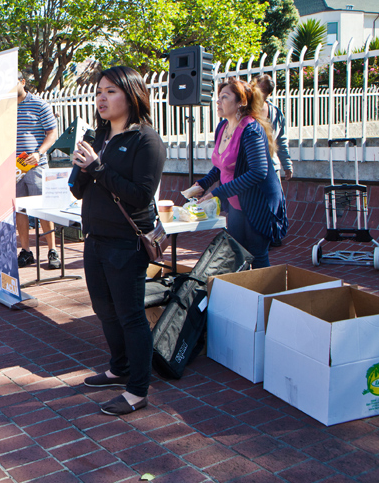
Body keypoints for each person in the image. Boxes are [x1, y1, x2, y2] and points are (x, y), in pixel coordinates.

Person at [70, 66, 166, 416]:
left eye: (110, 91)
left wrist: (97, 168)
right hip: (95, 239)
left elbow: (140, 195)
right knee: (104, 309)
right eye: (98, 92)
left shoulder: (146, 140)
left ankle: (138, 389)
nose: (101, 98)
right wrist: (81, 169)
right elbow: (79, 190)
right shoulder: (98, 137)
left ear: (131, 94)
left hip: (125, 243)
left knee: (130, 315)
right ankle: (119, 367)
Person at [184, 78, 287, 269]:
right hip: (237, 202)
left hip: (259, 202)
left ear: (241, 102)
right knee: (237, 252)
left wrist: (218, 193)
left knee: (257, 254)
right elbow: (221, 165)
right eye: (218, 97)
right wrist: (204, 183)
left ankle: (263, 296)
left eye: (224, 97)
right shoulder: (222, 127)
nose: (218, 102)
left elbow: (259, 172)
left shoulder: (251, 130)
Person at [15, 72, 60, 270]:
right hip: (13, 169)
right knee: (20, 210)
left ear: (22, 82)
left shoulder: (39, 104)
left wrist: (39, 153)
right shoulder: (3, 108)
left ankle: (52, 250)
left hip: (36, 166)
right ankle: (26, 251)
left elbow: (52, 132)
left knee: (43, 208)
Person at [253, 74, 293, 248]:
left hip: (272, 164)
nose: (260, 92)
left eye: (263, 90)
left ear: (269, 92)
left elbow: (281, 141)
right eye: (257, 88)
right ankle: (259, 236)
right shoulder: (247, 111)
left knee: (275, 203)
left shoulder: (276, 112)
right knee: (257, 203)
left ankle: (275, 235)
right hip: (253, 165)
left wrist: (287, 165)